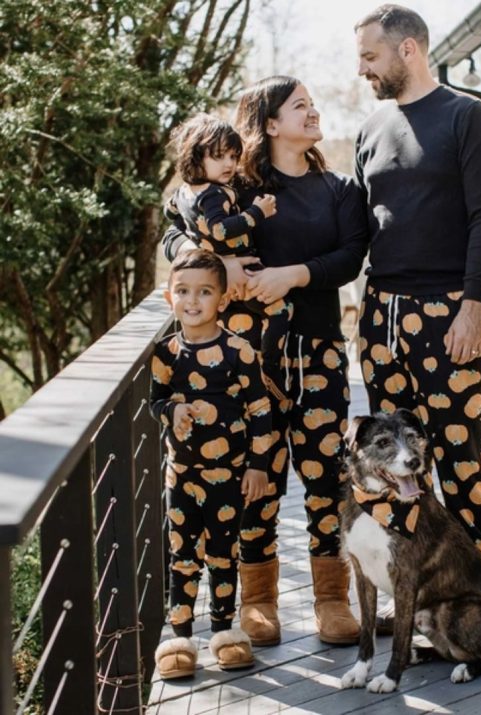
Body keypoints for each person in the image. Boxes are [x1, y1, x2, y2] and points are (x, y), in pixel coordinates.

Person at [162, 76, 368, 646]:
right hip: (250, 360)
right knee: (259, 471)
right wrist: (207, 264)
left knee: (328, 470)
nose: (314, 110)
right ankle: (258, 600)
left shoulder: (341, 188)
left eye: (312, 103)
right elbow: (175, 227)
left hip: (319, 347)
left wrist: (292, 276)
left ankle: (331, 596)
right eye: (300, 105)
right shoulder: (237, 185)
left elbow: (350, 256)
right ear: (271, 123)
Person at [353, 4, 481, 629]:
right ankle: (412, 603)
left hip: (450, 312)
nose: (363, 69)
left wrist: (474, 302)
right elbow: (362, 225)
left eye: (370, 56)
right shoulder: (370, 128)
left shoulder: (468, 117)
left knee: (462, 461)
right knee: (396, 470)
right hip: (381, 318)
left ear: (408, 49)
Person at [150, 250, 271, 677]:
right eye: (183, 291)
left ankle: (224, 632)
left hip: (228, 476)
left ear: (222, 300)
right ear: (170, 298)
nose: (193, 301)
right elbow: (156, 400)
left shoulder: (238, 351)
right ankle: (180, 637)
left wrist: (258, 465)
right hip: (180, 475)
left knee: (223, 553)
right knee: (182, 554)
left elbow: (259, 410)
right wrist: (170, 412)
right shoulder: (166, 354)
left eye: (204, 292)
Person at [164, 112, 291, 401]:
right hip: (243, 271)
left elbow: (169, 214)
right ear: (195, 156)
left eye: (233, 157)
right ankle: (269, 367)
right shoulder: (214, 194)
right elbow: (220, 229)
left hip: (220, 279)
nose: (230, 165)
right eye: (219, 156)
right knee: (280, 310)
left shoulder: (183, 193)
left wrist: (191, 230)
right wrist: (258, 213)